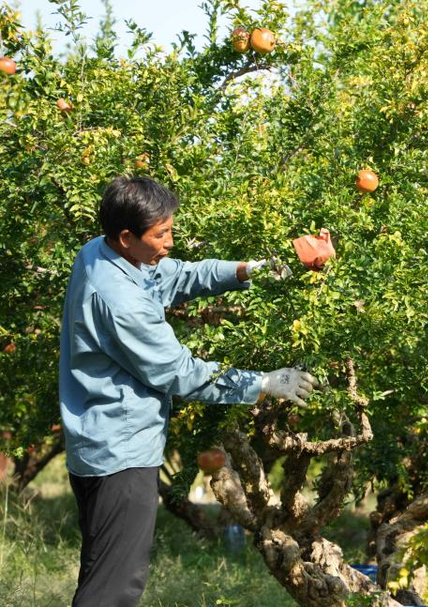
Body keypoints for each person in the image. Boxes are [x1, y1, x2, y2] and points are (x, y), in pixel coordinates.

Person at [59, 176, 330, 607]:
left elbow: (174, 275)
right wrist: (262, 382)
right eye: (161, 234)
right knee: (115, 589)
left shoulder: (102, 251)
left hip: (98, 439)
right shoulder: (118, 300)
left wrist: (248, 270)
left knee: (101, 572)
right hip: (122, 453)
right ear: (127, 236)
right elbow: (179, 372)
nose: (170, 241)